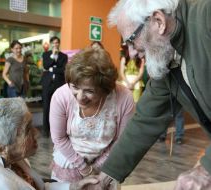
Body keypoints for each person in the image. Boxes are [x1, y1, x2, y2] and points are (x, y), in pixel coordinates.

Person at [86, 0, 211, 189]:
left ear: (158, 21)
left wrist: (206, 169)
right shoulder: (167, 58)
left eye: (131, 41)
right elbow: (145, 120)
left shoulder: (207, 17)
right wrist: (105, 178)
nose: (131, 53)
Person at [0, 98, 99, 190]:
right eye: (27, 130)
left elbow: (38, 187)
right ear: (0, 148)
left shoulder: (3, 154)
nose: (36, 132)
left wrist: (74, 187)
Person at [49, 47, 135, 183]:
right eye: (75, 87)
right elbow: (59, 138)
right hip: (69, 162)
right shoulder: (61, 96)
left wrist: (97, 167)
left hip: (107, 166)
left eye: (89, 91)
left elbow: (120, 141)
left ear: (105, 88)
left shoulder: (124, 98)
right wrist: (84, 168)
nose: (80, 97)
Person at [41, 36, 68, 136]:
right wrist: (52, 56)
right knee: (46, 106)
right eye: (53, 43)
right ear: (51, 44)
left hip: (58, 84)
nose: (55, 44)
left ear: (59, 44)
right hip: (47, 84)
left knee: (58, 107)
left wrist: (52, 69)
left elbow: (63, 70)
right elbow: (46, 66)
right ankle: (45, 130)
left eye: (57, 43)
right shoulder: (46, 54)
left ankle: (57, 130)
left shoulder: (63, 56)